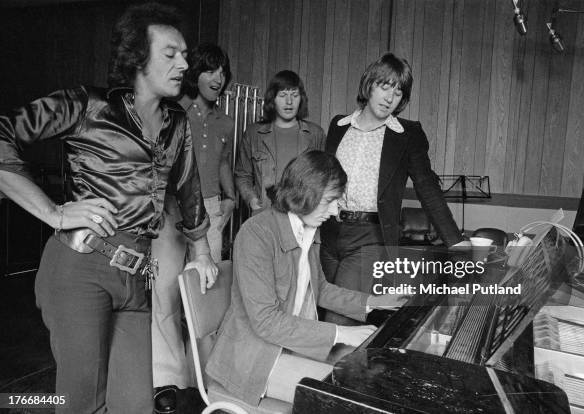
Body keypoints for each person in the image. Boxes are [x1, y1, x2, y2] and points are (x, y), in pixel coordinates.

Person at [0, 3, 218, 413]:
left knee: (135, 406)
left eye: (185, 54)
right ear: (138, 58)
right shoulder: (88, 105)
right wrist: (54, 212)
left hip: (137, 279)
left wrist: (203, 252)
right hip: (81, 268)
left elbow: (189, 191)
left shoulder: (178, 122)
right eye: (171, 54)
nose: (184, 64)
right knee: (80, 403)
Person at [206, 150, 405, 406]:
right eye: (330, 201)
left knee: (369, 372)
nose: (335, 211)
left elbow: (319, 289)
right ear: (304, 194)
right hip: (252, 358)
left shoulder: (309, 229)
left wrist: (374, 301)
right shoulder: (256, 234)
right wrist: (340, 333)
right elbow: (266, 322)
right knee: (347, 397)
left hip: (288, 346)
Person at [321, 53, 464, 325]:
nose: (390, 98)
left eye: (398, 92)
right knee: (323, 309)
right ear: (369, 85)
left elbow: (427, 188)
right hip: (329, 235)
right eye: (385, 86)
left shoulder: (407, 134)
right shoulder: (338, 126)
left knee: (339, 319)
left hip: (370, 238)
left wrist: (456, 243)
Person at [150, 43, 235, 412]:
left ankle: (206, 377)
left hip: (212, 212)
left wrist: (230, 199)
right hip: (170, 212)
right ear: (194, 73)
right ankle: (169, 381)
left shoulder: (226, 121)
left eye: (222, 72)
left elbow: (222, 164)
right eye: (210, 70)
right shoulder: (172, 112)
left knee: (205, 299)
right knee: (166, 297)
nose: (217, 78)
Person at [235, 70, 325, 215]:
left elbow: (323, 179)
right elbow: (242, 175)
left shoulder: (315, 134)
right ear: (272, 99)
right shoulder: (253, 133)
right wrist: (251, 199)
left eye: (294, 96)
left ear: (301, 99)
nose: (289, 102)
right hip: (265, 217)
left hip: (302, 219)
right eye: (283, 95)